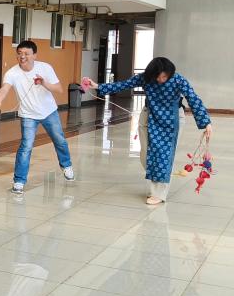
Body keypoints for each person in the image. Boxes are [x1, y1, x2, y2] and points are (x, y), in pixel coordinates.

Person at [88, 57, 212, 205]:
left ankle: (158, 193)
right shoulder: (145, 78)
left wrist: (206, 123)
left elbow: (193, 98)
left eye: (164, 77)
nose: (161, 80)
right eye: (158, 77)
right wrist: (97, 86)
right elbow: (123, 85)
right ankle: (157, 178)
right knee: (146, 155)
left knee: (163, 155)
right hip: (149, 116)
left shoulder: (178, 80)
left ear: (170, 73)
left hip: (172, 120)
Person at [0, 39, 75, 194]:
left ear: (34, 55)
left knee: (60, 140)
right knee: (26, 147)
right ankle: (19, 181)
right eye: (19, 53)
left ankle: (66, 165)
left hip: (49, 112)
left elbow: (59, 89)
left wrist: (44, 83)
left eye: (26, 53)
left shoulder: (45, 67)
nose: (22, 56)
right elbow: (4, 89)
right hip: (28, 115)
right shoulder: (12, 73)